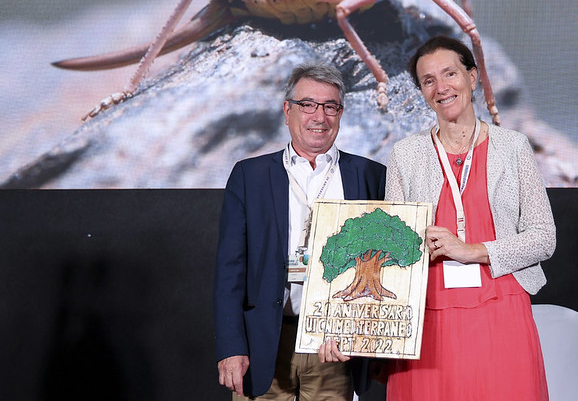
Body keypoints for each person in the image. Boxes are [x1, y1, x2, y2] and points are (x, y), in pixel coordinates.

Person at [384, 36, 556, 400]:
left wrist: (471, 251)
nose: (441, 87)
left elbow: (544, 238)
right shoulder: (404, 155)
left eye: (450, 74)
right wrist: (412, 250)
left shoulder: (513, 147)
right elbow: (392, 250)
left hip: (502, 308)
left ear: (473, 77)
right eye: (428, 80)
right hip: (426, 317)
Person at [213, 63, 386, 400]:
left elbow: (384, 266)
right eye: (307, 104)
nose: (319, 116)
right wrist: (230, 346)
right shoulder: (250, 176)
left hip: (335, 344)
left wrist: (370, 344)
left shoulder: (369, 175)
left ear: (341, 113)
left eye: (330, 106)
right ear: (287, 110)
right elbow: (229, 270)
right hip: (263, 339)